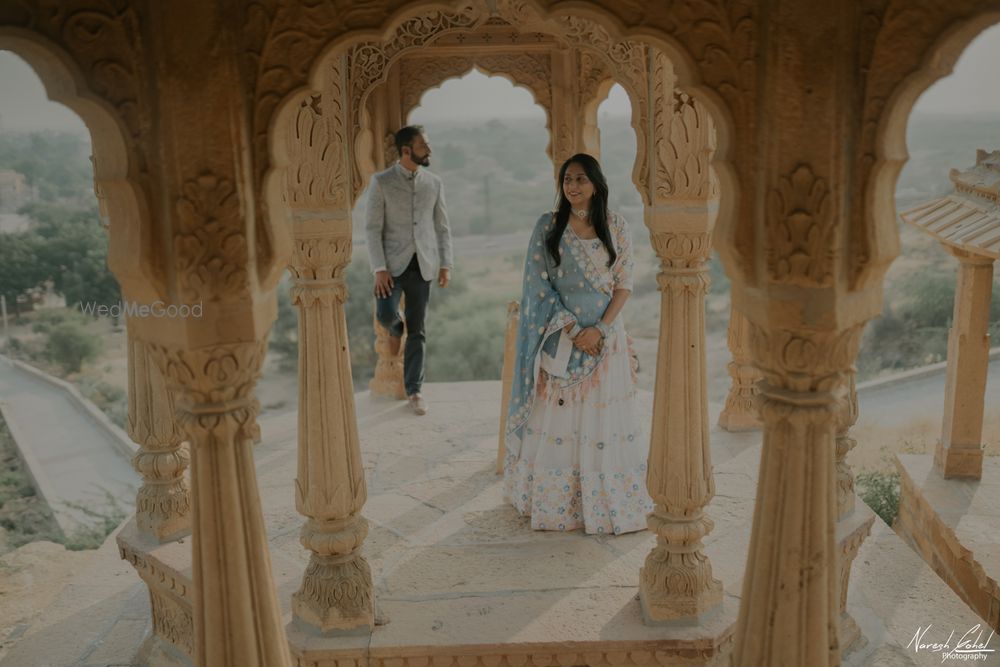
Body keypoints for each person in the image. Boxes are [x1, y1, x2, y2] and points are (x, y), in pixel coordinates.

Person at [504, 153, 652, 535]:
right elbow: (537, 285)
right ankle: (559, 506)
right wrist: (572, 328)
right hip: (562, 339)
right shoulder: (549, 225)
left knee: (601, 423)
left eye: (581, 179)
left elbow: (624, 285)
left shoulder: (616, 226)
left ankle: (600, 504)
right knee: (562, 421)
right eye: (567, 179)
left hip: (605, 342)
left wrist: (599, 330)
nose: (573, 186)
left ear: (596, 184)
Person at [365, 125, 453, 415]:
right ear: (406, 150)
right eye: (423, 146)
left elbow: (442, 226)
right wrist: (379, 268)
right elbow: (372, 228)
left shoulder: (434, 183)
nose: (429, 150)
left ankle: (414, 391)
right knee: (386, 314)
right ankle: (395, 328)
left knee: (419, 331)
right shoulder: (382, 182)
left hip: (423, 265)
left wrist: (445, 264)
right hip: (390, 266)